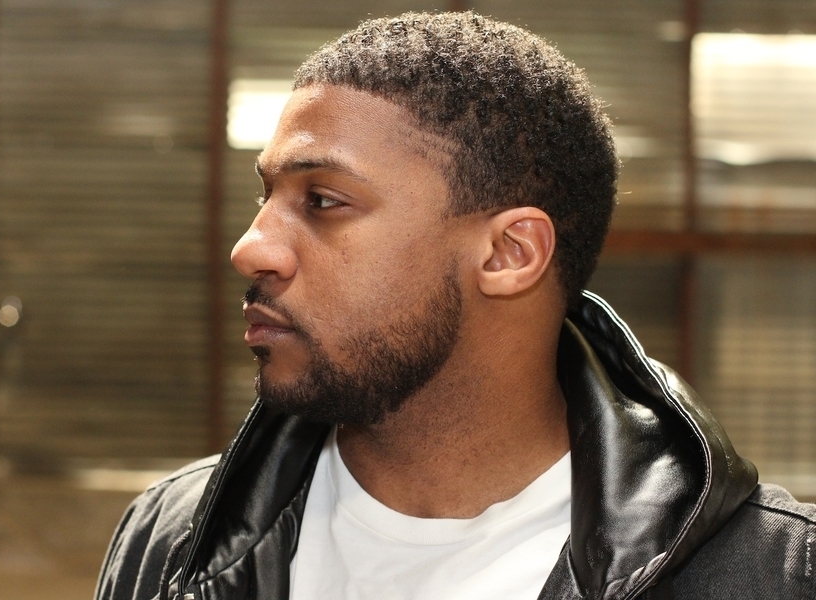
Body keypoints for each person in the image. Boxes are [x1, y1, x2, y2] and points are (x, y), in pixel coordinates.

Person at [96, 12, 816, 600]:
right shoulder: (174, 541)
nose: (252, 248)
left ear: (508, 254)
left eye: (323, 201)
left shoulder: (770, 574)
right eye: (267, 196)